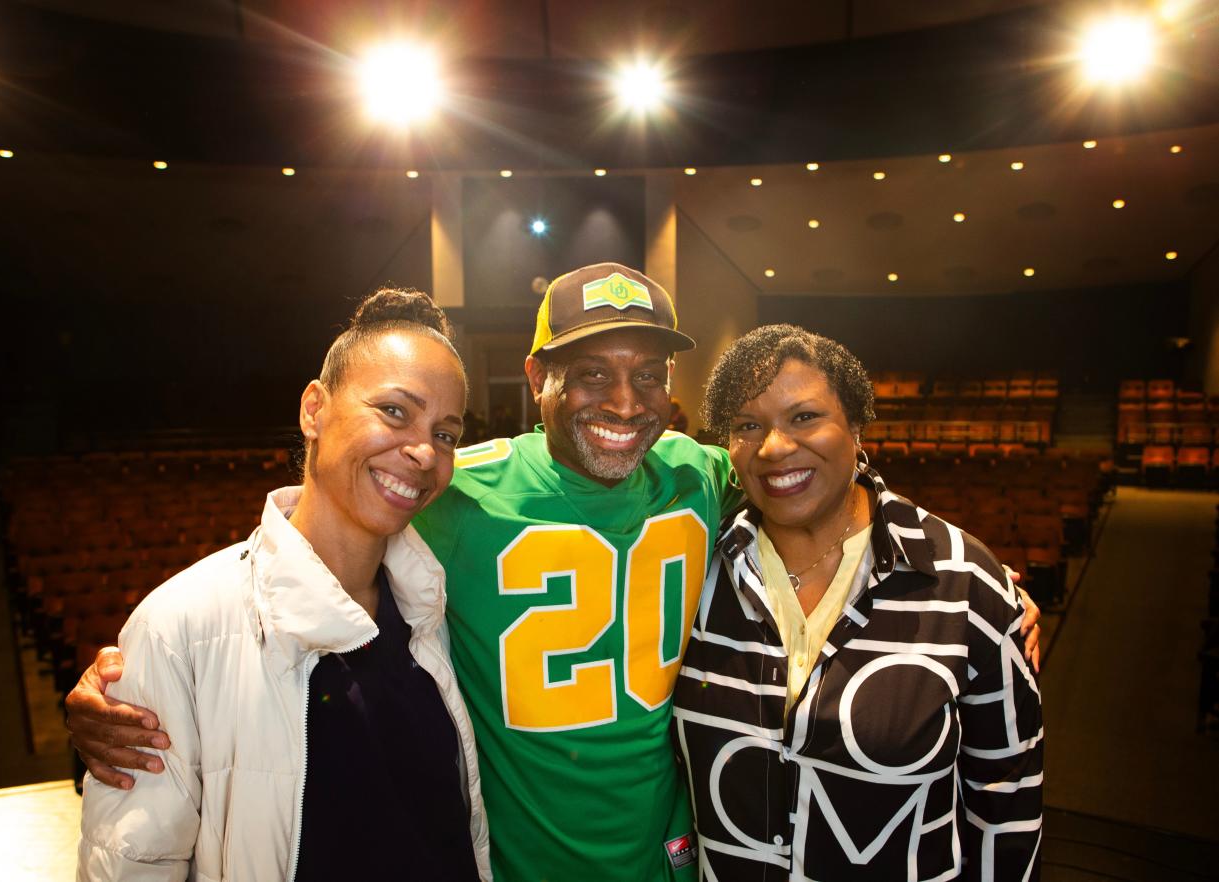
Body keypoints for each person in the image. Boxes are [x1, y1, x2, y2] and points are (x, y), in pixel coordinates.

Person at [66, 264, 1039, 881]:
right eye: (587, 370)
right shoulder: (455, 493)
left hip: (675, 861)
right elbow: (306, 558)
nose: (621, 400)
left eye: (645, 373)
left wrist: (976, 598)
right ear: (534, 378)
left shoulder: (702, 479)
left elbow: (818, 481)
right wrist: (141, 672)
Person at [75, 290, 490, 881]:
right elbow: (131, 864)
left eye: (446, 433)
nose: (424, 451)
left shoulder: (438, 612)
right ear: (314, 409)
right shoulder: (180, 628)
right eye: (395, 411)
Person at [671, 324, 1043, 880]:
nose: (774, 447)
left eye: (804, 417)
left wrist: (1001, 605)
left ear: (857, 425)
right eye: (748, 425)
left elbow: (1006, 808)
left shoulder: (963, 583)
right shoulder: (696, 570)